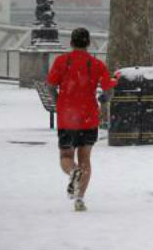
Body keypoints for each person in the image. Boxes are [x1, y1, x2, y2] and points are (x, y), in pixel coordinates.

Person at [46, 27, 117, 212]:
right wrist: (103, 102)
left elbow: (51, 86)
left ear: (71, 42)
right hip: (88, 117)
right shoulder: (96, 64)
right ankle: (80, 199)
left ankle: (72, 171)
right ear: (88, 43)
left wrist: (59, 101)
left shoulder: (61, 61)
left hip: (68, 118)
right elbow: (108, 91)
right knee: (85, 159)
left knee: (66, 156)